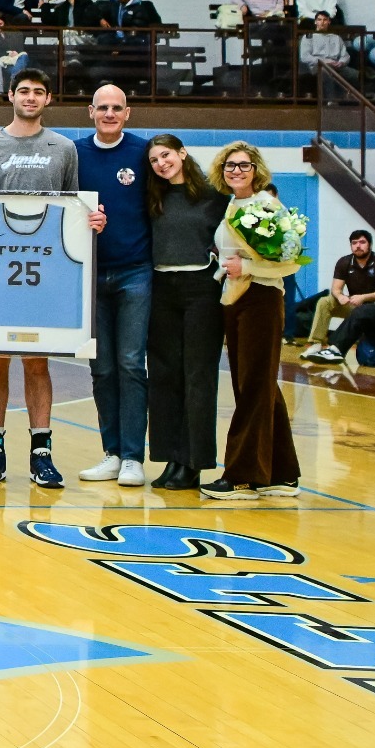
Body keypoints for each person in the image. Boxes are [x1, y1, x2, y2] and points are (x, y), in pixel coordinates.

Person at [0, 69, 105, 489]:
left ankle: (41, 453)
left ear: (48, 100)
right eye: (23, 91)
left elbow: (70, 208)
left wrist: (92, 221)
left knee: (37, 361)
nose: (30, 98)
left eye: (38, 92)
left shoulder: (63, 147)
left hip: (46, 271)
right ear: (10, 95)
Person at [207, 142, 303, 499]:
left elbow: (290, 262)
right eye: (230, 165)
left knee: (252, 387)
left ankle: (243, 476)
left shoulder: (266, 205)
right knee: (260, 385)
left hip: (261, 299)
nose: (236, 171)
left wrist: (245, 267)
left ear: (256, 168)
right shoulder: (233, 204)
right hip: (236, 300)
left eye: (244, 165)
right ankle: (281, 472)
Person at [74, 85, 153, 487]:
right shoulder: (74, 154)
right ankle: (111, 452)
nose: (109, 113)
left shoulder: (144, 153)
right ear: (90, 111)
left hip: (135, 272)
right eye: (102, 107)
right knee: (102, 368)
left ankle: (133, 458)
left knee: (129, 364)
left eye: (116, 108)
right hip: (89, 273)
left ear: (128, 113)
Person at [142, 134, 226, 492]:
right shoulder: (152, 197)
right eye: (155, 161)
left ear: (182, 153)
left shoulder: (213, 196)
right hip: (162, 288)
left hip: (201, 291)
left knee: (198, 376)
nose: (162, 164)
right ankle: (171, 457)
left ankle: (193, 463)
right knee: (164, 374)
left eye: (166, 156)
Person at [300, 230, 375, 358]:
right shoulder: (344, 262)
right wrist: (340, 296)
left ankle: (336, 348)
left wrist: (364, 297)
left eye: (362, 242)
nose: (358, 246)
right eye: (354, 243)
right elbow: (336, 289)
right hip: (354, 305)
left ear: (370, 245)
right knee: (325, 302)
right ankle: (316, 343)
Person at [300, 11, 350, 81]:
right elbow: (305, 57)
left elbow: (345, 55)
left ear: (329, 22)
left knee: (356, 74)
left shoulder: (336, 38)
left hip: (336, 65)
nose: (322, 22)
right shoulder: (308, 37)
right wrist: (324, 61)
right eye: (319, 20)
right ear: (315, 22)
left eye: (325, 20)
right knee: (326, 72)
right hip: (317, 66)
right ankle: (332, 92)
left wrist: (341, 62)